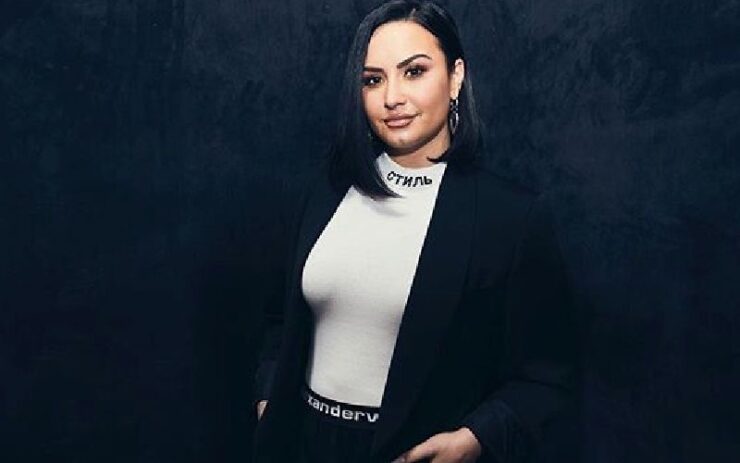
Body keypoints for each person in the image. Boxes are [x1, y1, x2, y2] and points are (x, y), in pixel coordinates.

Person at [252, 1, 577, 462]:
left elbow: (545, 376)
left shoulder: (510, 217)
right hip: (303, 445)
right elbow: (280, 317)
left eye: (414, 72)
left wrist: (475, 439)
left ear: (456, 76)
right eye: (373, 79)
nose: (392, 97)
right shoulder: (324, 192)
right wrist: (270, 397)